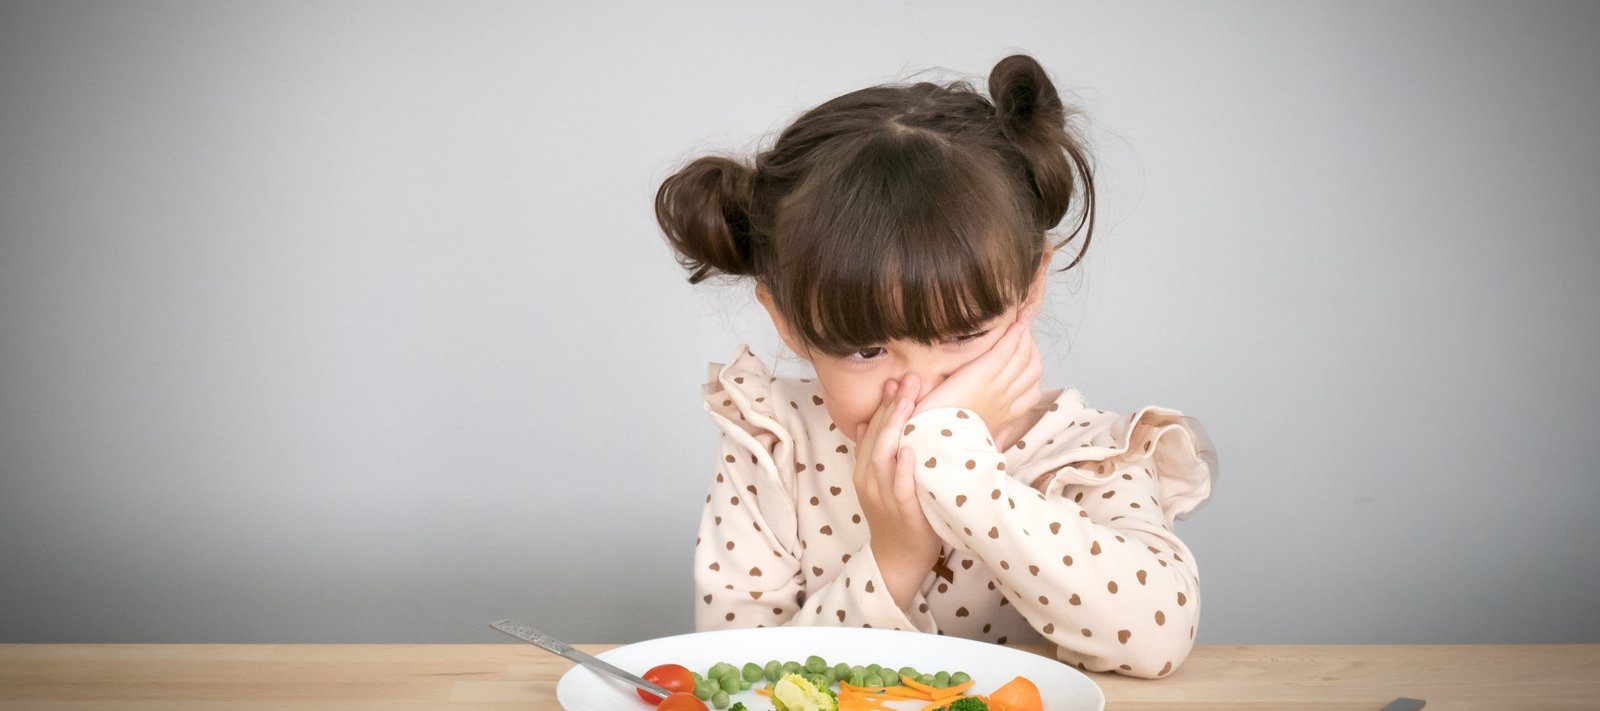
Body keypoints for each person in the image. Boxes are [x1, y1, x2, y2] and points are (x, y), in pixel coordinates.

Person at [653, 54, 1217, 679]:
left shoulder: (1083, 455)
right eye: (866, 351)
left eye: (963, 336)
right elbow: (745, 679)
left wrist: (961, 473)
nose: (919, 392)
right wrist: (896, 557)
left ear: (1030, 288)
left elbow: (1154, 639)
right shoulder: (773, 446)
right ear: (786, 320)